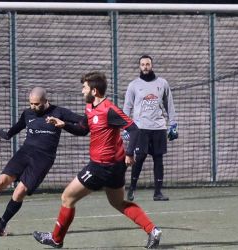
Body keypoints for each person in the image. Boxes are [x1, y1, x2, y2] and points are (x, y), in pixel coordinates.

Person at [33, 72, 162, 249]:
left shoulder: (109, 109)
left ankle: (56, 239)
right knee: (118, 203)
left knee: (67, 198)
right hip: (114, 167)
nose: (81, 91)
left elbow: (135, 130)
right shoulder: (90, 107)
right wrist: (64, 125)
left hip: (101, 167)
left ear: (94, 91)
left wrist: (130, 153)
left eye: (84, 87)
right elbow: (83, 130)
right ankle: (152, 230)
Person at [0, 87, 83, 236]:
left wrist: (65, 124)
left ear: (46, 101)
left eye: (36, 104)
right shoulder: (28, 113)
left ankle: (2, 222)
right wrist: (7, 134)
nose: (33, 107)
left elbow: (83, 122)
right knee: (1, 181)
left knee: (20, 191)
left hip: (43, 159)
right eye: (31, 103)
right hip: (25, 153)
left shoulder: (60, 112)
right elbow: (18, 126)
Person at [123, 55, 178, 201]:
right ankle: (132, 189)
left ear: (151, 66)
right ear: (139, 67)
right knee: (139, 158)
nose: (145, 67)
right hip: (140, 128)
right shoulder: (133, 85)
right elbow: (127, 107)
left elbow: (169, 104)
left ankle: (158, 193)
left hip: (159, 128)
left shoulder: (162, 83)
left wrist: (173, 124)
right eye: (143, 64)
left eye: (148, 64)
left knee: (158, 159)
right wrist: (125, 128)